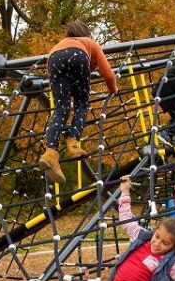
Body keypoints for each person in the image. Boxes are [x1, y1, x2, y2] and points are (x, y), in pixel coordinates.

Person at [38, 22, 119, 184]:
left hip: (53, 60)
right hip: (78, 57)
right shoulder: (90, 43)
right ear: (87, 34)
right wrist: (113, 89)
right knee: (82, 104)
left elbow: (57, 77)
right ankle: (73, 143)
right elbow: (108, 74)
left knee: (61, 109)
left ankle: (50, 153)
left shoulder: (60, 44)